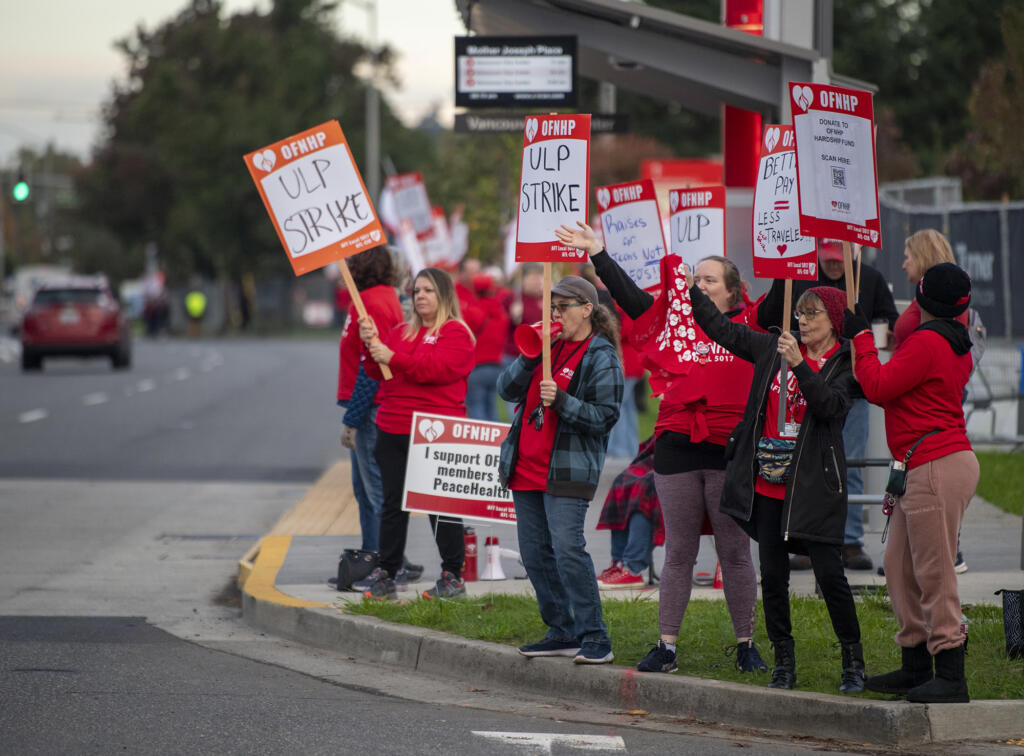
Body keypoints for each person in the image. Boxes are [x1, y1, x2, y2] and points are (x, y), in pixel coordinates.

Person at [556, 221, 768, 676]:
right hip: (675, 448)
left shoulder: (752, 327)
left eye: (710, 280)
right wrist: (598, 252)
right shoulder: (678, 323)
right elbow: (633, 301)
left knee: (734, 553)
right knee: (678, 552)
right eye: (695, 279)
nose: (698, 286)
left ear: (735, 292)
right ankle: (666, 646)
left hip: (728, 452)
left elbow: (797, 292)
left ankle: (747, 644)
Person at [687, 267, 865, 694]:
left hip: (814, 487)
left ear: (834, 321)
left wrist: (801, 366)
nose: (802, 321)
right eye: (800, 314)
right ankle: (783, 661)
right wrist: (692, 290)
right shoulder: (773, 346)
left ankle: (853, 661)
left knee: (831, 576)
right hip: (768, 485)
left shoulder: (844, 362)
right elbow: (721, 330)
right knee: (774, 575)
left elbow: (829, 408)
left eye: (813, 315)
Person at [846, 261, 979, 703]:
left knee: (933, 572)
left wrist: (861, 337)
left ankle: (951, 671)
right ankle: (916, 663)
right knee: (900, 566)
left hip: (934, 464)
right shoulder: (948, 337)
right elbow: (908, 324)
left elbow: (877, 385)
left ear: (923, 300)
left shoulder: (926, 343)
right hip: (928, 461)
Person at [497, 275, 624, 664]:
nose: (555, 315)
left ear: (587, 309)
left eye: (563, 308)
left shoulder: (600, 355)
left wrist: (563, 401)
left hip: (566, 470)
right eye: (552, 308)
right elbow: (506, 389)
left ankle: (595, 637)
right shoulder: (546, 347)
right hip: (526, 468)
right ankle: (562, 630)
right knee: (535, 555)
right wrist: (532, 354)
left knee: (569, 551)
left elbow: (605, 417)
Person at [771, 240, 898, 572]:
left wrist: (875, 336)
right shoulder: (802, 276)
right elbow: (777, 314)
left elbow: (891, 321)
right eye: (827, 260)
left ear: (853, 255)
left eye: (839, 260)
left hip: (852, 389)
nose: (833, 266)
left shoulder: (869, 278)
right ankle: (806, 538)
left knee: (849, 466)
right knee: (804, 465)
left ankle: (850, 540)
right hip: (807, 385)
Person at [357, 268, 476, 601]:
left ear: (444, 296)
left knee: (441, 505)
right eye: (416, 291)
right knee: (393, 505)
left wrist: (394, 357)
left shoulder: (456, 333)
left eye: (428, 290)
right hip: (393, 427)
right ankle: (387, 571)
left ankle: (453, 576)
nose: (420, 296)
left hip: (436, 432)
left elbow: (436, 370)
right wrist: (370, 347)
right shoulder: (399, 333)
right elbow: (375, 371)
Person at [895, 229, 972, 574]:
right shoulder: (939, 301)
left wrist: (865, 344)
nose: (902, 263)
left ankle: (947, 552)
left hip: (926, 415)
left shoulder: (933, 319)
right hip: (921, 398)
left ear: (923, 258)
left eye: (908, 256)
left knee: (935, 561)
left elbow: (880, 387)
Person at [595, 437, 661, 588]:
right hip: (664, 450)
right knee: (623, 480)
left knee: (645, 487)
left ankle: (632, 567)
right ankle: (618, 562)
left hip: (690, 459)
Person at [463, 272, 510, 422]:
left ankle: (479, 445)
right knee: (491, 408)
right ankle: (494, 444)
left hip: (477, 367)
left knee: (476, 408)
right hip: (496, 366)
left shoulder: (471, 312)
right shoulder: (501, 312)